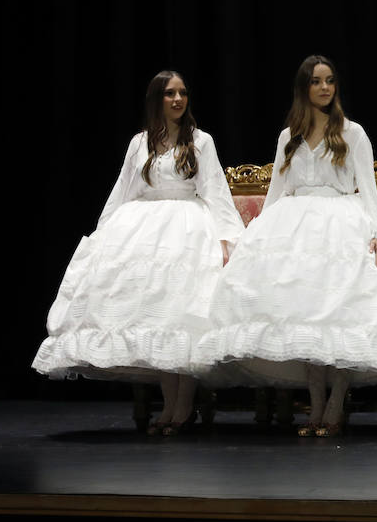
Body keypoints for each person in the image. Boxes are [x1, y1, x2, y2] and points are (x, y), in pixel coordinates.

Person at [194, 55, 377, 436]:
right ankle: (316, 405)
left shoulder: (352, 133)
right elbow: (276, 192)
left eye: (330, 81)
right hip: (295, 229)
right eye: (317, 82)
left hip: (342, 222)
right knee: (307, 318)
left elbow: (368, 190)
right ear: (304, 88)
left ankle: (336, 401)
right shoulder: (288, 136)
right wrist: (253, 240)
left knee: (342, 314)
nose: (324, 88)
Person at [34, 71, 245, 434]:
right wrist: (103, 235)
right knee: (158, 320)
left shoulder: (200, 141)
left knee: (182, 317)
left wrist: (229, 238)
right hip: (145, 232)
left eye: (182, 93)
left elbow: (214, 189)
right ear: (156, 99)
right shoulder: (140, 143)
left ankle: (182, 408)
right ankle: (169, 407)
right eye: (169, 94)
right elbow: (123, 190)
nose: (178, 99)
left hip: (187, 230)